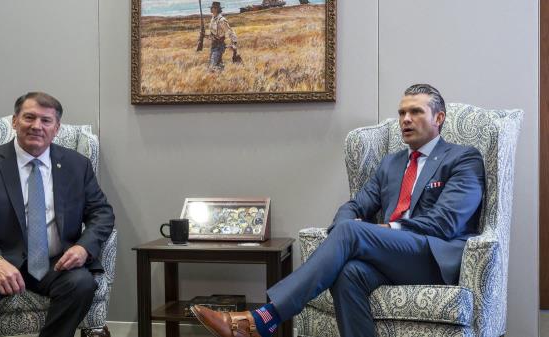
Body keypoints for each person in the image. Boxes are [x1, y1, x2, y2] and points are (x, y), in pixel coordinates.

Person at [191, 84, 485, 337]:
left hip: (433, 257)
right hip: (391, 256)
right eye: (401, 113)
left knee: (351, 232)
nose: (406, 119)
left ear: (439, 118)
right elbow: (354, 207)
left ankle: (262, 319)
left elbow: (446, 222)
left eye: (416, 112)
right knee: (348, 273)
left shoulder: (462, 158)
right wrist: (345, 231)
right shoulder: (391, 164)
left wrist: (383, 230)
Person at [0, 92, 115, 337]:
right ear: (15, 121)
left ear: (56, 128)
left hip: (53, 262)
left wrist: (83, 247)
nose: (37, 126)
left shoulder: (77, 165)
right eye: (29, 117)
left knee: (81, 283)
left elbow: (101, 213)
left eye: (46, 121)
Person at [208, 1, 238, 70]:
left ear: (217, 9)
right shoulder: (212, 19)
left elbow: (229, 31)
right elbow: (213, 33)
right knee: (218, 64)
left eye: (213, 8)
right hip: (213, 45)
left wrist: (234, 43)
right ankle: (222, 78)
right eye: (212, 7)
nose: (211, 9)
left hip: (219, 45)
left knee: (212, 66)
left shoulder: (222, 20)